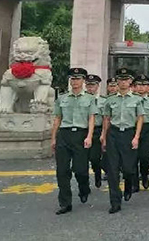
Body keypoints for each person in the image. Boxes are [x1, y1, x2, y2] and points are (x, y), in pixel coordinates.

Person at [51, 67, 98, 215]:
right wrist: (53, 137)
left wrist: (89, 136)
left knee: (80, 169)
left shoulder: (90, 99)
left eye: (78, 79)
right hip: (64, 135)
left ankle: (84, 187)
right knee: (62, 171)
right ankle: (65, 203)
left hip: (81, 134)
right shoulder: (62, 98)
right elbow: (57, 119)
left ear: (83, 81)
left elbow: (91, 118)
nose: (75, 82)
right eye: (72, 79)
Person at [100, 68, 144, 214]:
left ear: (130, 81)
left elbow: (140, 119)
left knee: (129, 169)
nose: (123, 82)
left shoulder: (137, 99)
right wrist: (104, 137)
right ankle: (115, 201)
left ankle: (129, 184)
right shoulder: (110, 99)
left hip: (129, 134)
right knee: (112, 170)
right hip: (113, 134)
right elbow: (106, 119)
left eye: (126, 80)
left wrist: (136, 137)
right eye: (120, 79)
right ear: (117, 81)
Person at [84, 74, 105, 188]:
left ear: (97, 86)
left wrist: (103, 134)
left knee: (94, 158)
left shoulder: (103, 101)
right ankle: (85, 183)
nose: (90, 88)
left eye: (93, 85)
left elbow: (105, 118)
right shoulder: (82, 99)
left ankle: (97, 173)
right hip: (83, 130)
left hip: (97, 130)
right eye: (88, 85)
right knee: (82, 160)